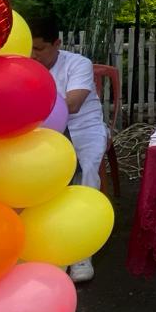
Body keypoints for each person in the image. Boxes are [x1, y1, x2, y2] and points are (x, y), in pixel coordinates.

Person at [28, 15, 107, 283]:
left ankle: (82, 250)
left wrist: (27, 104)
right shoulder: (24, 66)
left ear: (57, 44)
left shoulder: (78, 64)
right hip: (42, 133)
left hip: (83, 127)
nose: (34, 55)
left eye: (40, 48)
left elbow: (72, 104)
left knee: (87, 173)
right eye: (30, 48)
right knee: (38, 183)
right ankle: (48, 243)